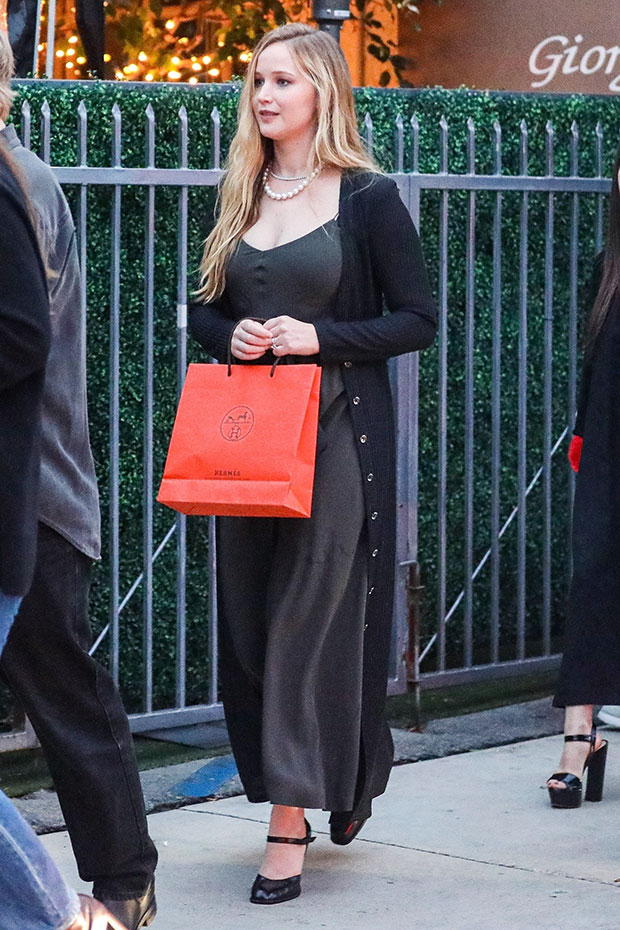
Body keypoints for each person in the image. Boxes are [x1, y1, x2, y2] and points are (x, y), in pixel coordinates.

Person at [189, 22, 436, 904]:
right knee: (253, 628)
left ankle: (287, 824)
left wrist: (319, 338)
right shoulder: (242, 189)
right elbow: (202, 310)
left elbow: (417, 318)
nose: (265, 94)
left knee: (302, 626)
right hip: (251, 442)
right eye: (258, 80)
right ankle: (344, 771)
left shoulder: (368, 198)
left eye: (284, 81)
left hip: (336, 443)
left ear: (323, 91)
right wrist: (232, 335)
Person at [0, 30, 157, 928]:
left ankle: (122, 881)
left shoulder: (22, 182)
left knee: (62, 689)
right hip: (29, 484)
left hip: (36, 489)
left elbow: (27, 341)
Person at [547, 146, 620, 809]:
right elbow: (596, 361)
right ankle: (579, 737)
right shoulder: (611, 264)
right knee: (593, 576)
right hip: (607, 445)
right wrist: (580, 432)